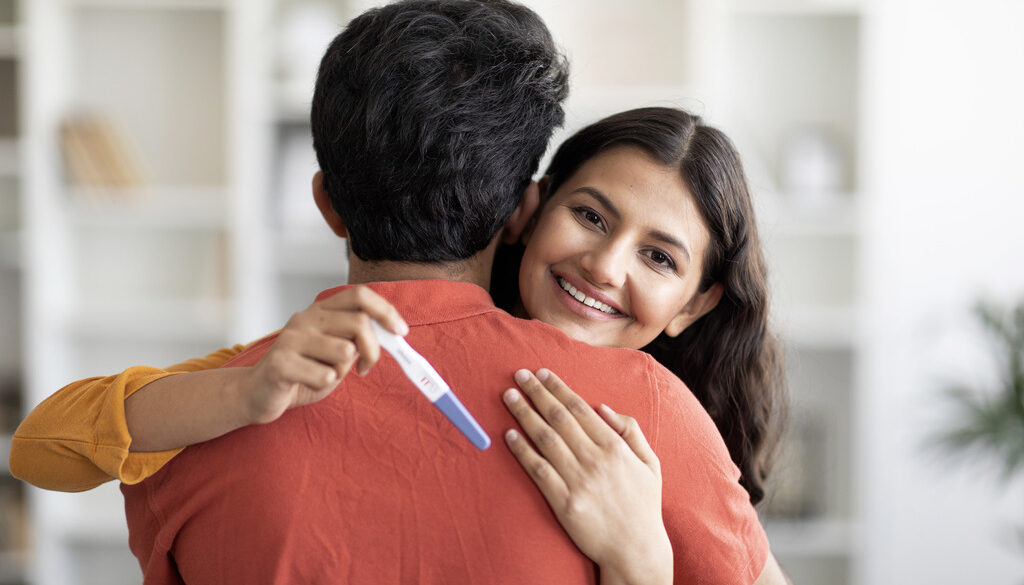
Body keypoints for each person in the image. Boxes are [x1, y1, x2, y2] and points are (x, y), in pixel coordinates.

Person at [12, 2, 787, 584]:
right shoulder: (645, 418)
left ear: (326, 202)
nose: (607, 268)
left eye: (658, 256)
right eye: (590, 216)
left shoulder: (209, 410)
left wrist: (242, 393)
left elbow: (38, 448)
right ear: (524, 209)